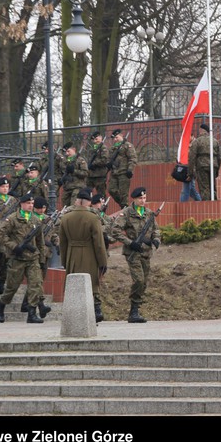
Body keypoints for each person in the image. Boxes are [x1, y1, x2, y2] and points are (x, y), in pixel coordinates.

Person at [110, 187, 161, 323]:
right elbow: (115, 230)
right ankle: (134, 311)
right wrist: (130, 242)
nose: (143, 200)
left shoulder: (149, 213)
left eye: (144, 198)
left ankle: (136, 310)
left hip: (145, 252)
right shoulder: (126, 213)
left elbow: (156, 229)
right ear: (134, 199)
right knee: (138, 280)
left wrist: (156, 239)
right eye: (140, 198)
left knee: (143, 282)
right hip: (133, 252)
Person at [0, 193, 47, 324]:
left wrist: (41, 259)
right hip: (17, 258)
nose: (30, 206)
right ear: (21, 204)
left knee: (35, 285)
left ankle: (32, 313)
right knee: (12, 288)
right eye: (28, 203)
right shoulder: (12, 219)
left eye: (32, 204)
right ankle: (1, 305)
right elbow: (1, 236)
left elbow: (40, 242)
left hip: (32, 258)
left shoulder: (35, 220)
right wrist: (14, 246)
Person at [60, 188, 108, 323]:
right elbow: (99, 243)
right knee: (91, 285)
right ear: (88, 202)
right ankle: (93, 314)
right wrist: (103, 262)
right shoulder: (93, 218)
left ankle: (74, 316)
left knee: (73, 286)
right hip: (89, 255)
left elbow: (62, 243)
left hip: (71, 254)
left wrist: (65, 260)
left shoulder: (66, 217)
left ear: (76, 201)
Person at [188, 123, 221, 201]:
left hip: (202, 167)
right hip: (213, 166)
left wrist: (190, 172)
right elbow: (219, 157)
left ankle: (207, 207)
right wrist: (217, 170)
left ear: (201, 130)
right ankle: (215, 206)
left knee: (204, 188)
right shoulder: (215, 141)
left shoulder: (197, 141)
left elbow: (192, 157)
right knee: (212, 187)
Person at [107, 129, 138, 208]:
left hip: (123, 172)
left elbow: (133, 158)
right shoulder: (113, 148)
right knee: (111, 189)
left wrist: (130, 169)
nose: (115, 140)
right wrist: (108, 164)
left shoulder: (127, 145)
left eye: (116, 137)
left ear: (121, 135)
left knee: (124, 193)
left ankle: (124, 207)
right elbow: (109, 158)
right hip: (114, 173)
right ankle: (123, 205)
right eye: (114, 138)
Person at [57, 142, 88, 208]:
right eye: (66, 152)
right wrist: (61, 179)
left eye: (68, 151)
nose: (67, 154)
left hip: (77, 187)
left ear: (74, 149)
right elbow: (61, 172)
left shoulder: (80, 160)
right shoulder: (64, 161)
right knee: (65, 207)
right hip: (67, 187)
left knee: (73, 206)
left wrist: (74, 171)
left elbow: (85, 173)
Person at [86, 131, 110, 195]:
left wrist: (94, 163)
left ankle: (102, 205)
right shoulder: (91, 149)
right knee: (87, 193)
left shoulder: (103, 148)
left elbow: (104, 160)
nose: (95, 141)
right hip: (90, 175)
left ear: (101, 138)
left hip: (100, 175)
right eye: (93, 140)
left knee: (101, 194)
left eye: (96, 139)